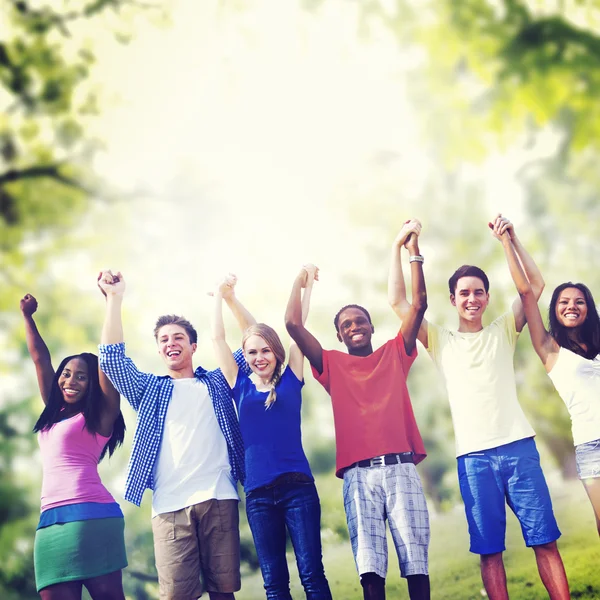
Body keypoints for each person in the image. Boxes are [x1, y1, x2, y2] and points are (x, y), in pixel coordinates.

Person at [390, 215, 570, 600]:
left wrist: (510, 239)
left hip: (519, 448)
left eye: (479, 292)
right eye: (464, 293)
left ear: (487, 297)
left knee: (544, 541)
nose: (472, 299)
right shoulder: (440, 340)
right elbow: (399, 302)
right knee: (490, 552)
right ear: (453, 299)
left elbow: (534, 287)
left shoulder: (503, 330)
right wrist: (403, 251)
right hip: (473, 460)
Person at [285, 222, 431, 600]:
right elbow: (292, 324)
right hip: (359, 478)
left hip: (401, 469)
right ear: (338, 335)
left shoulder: (395, 354)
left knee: (416, 563)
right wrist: (302, 280)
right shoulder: (331, 365)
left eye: (360, 320)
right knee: (370, 569)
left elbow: (419, 305)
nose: (354, 326)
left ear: (370, 326)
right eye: (346, 324)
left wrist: (410, 250)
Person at [97, 270, 255, 600]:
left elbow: (255, 340)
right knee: (176, 596)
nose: (171, 343)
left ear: (193, 346)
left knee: (223, 593)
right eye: (164, 340)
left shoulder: (218, 381)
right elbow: (112, 359)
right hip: (169, 505)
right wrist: (114, 299)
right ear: (158, 350)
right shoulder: (149, 391)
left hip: (218, 495)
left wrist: (229, 299)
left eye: (178, 337)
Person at [211, 267, 332, 600]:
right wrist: (220, 296)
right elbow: (218, 339)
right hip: (259, 495)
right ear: (245, 357)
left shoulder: (292, 375)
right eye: (252, 352)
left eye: (265, 350)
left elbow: (298, 327)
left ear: (275, 351)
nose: (259, 357)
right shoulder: (238, 384)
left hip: (298, 489)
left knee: (312, 574)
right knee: (274, 583)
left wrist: (304, 286)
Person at [496, 219, 600, 537]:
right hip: (591, 443)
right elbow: (527, 291)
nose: (572, 306)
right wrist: (509, 241)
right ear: (554, 309)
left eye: (579, 301)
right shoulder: (549, 348)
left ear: (588, 308)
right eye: (564, 302)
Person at [20, 293, 127, 600]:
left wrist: (111, 302)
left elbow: (109, 359)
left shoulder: (100, 416)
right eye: (66, 374)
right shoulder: (53, 413)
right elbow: (41, 359)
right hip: (50, 522)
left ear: (94, 385)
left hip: (92, 516)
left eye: (82, 377)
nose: (70, 381)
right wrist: (27, 317)